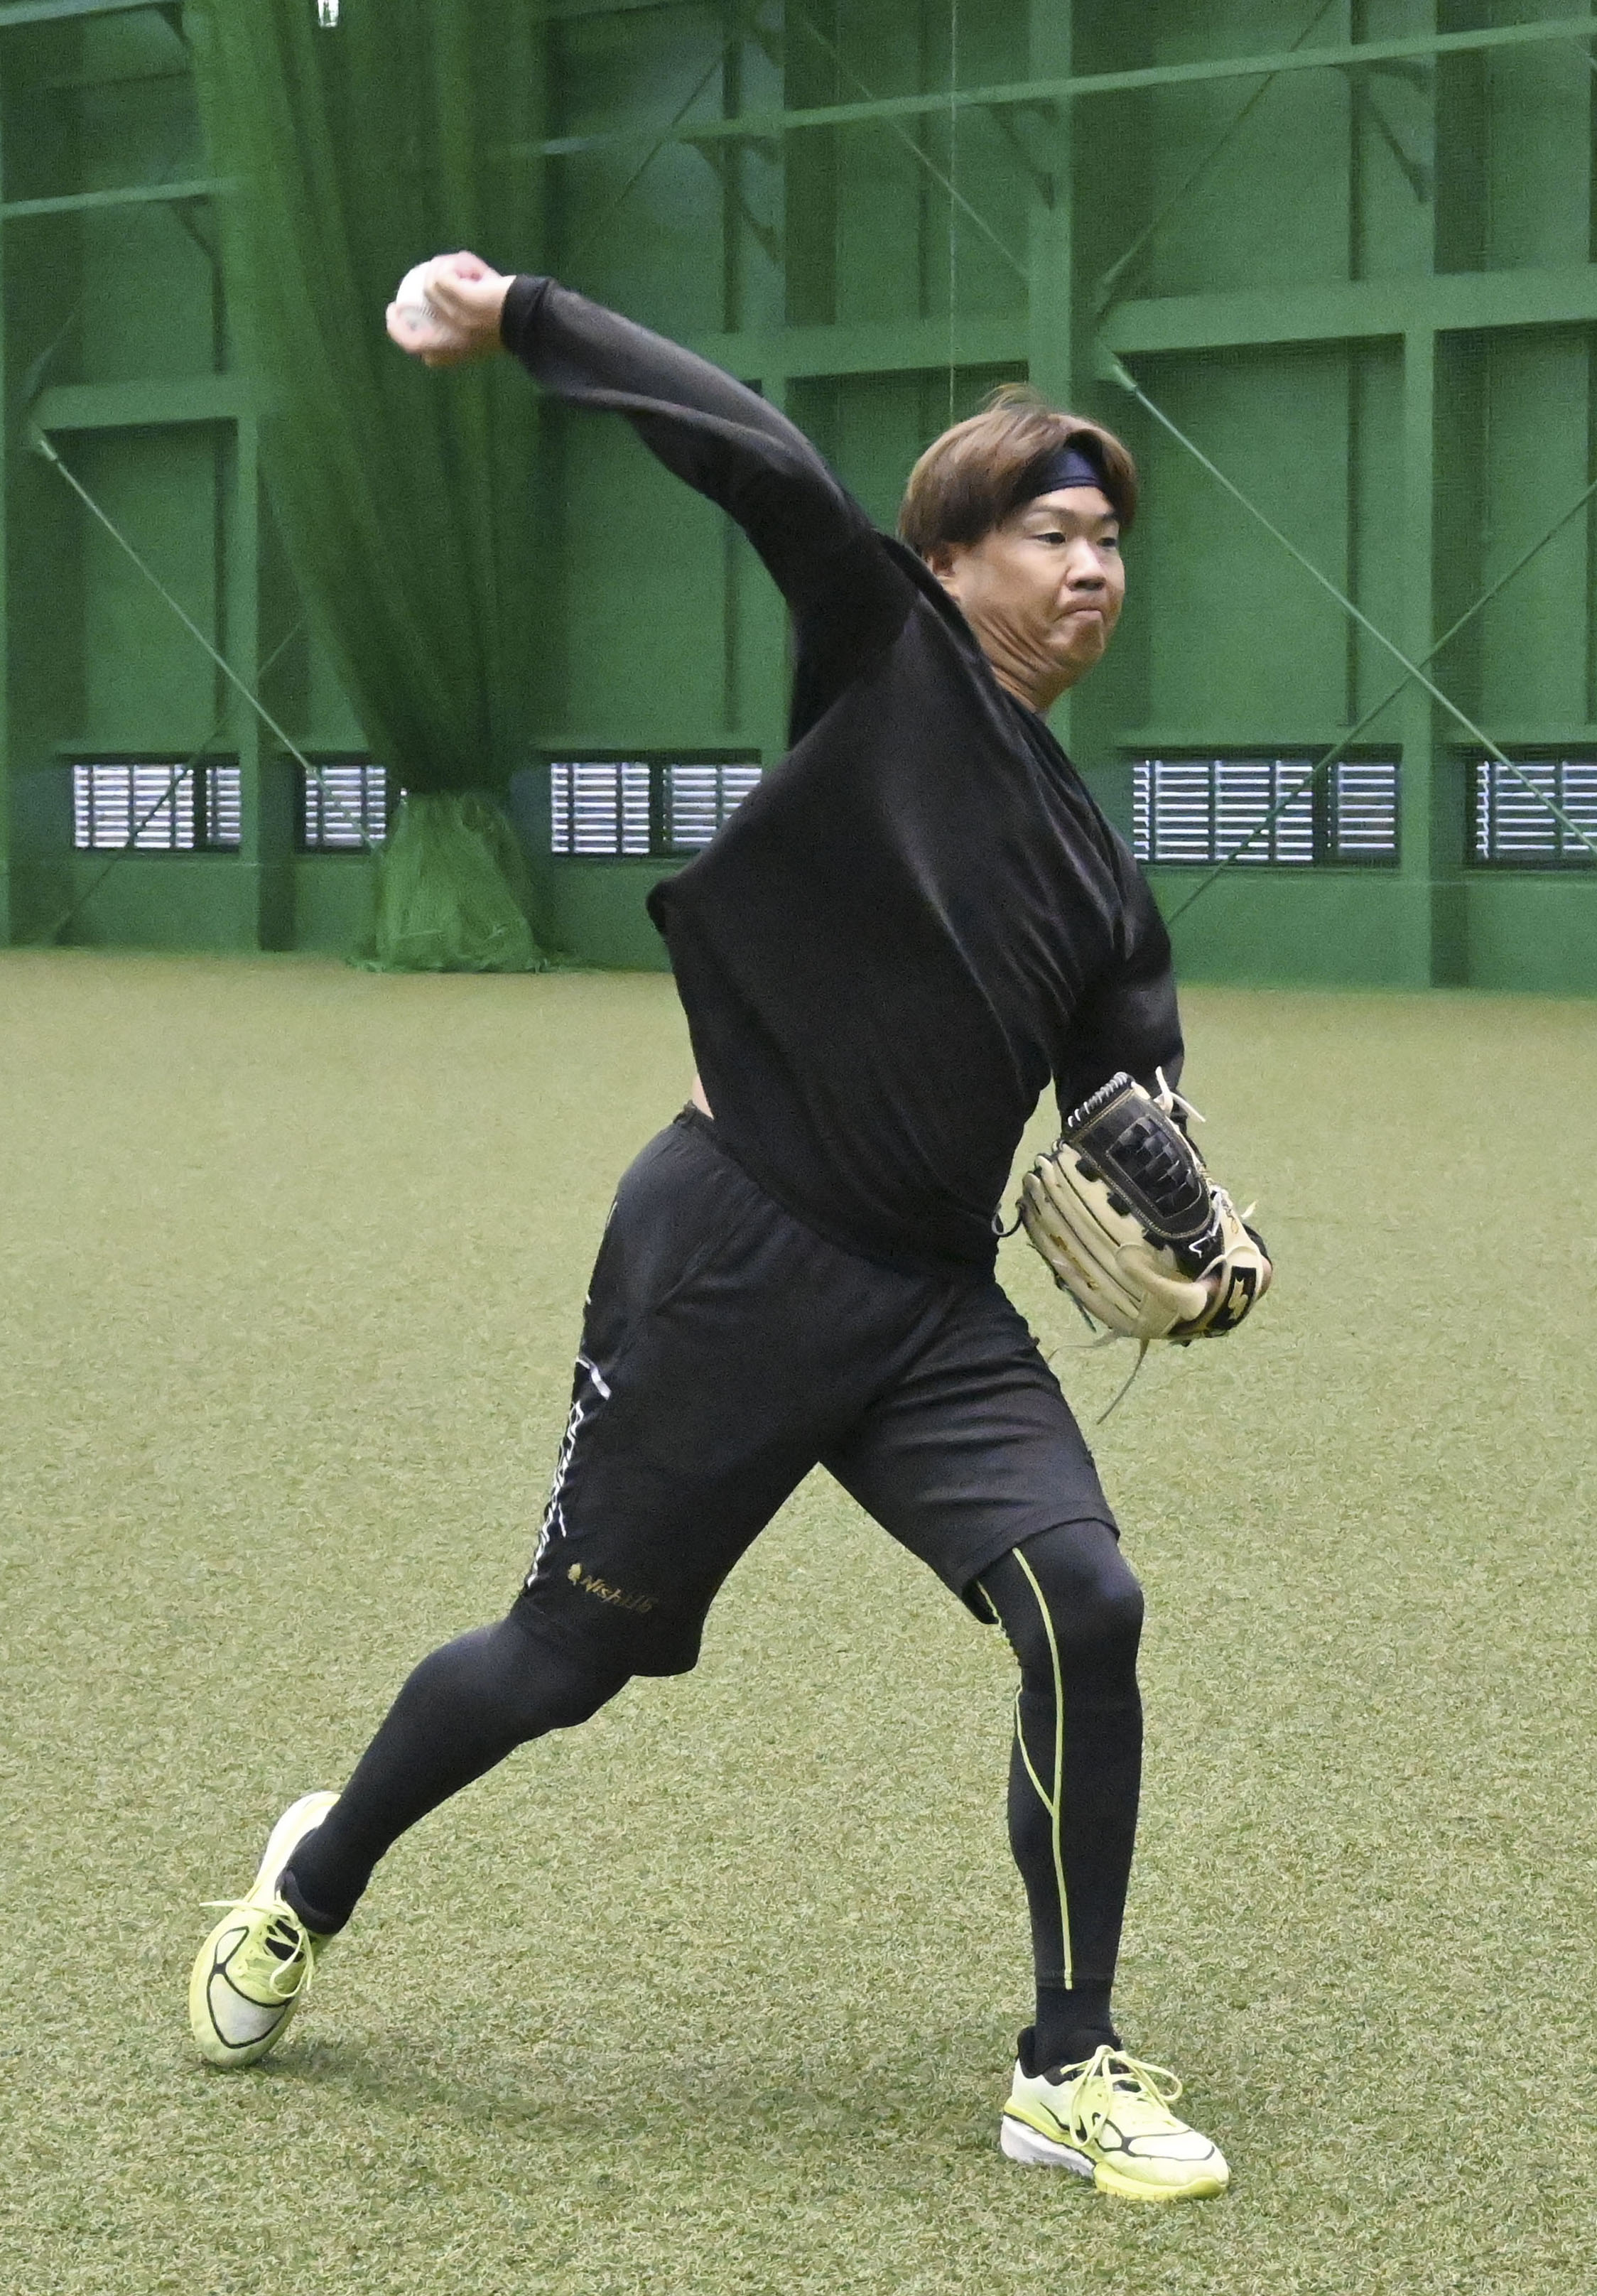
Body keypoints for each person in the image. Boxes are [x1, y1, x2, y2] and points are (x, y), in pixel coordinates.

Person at [188, 253, 1233, 2204]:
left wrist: (1186, 1211)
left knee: (1086, 1606)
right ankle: (310, 1879)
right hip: (733, 1249)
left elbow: (1132, 1101)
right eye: (1054, 533)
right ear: (950, 558)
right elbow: (761, 459)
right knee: (557, 1662)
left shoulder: (1105, 878)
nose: (1094, 568)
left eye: (1111, 542)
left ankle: (1066, 2063)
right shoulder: (887, 655)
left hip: (927, 1311)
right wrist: (525, 315)